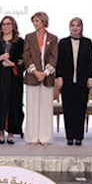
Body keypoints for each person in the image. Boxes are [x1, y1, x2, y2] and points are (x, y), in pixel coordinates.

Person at [55, 17, 92, 146]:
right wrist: (59, 76)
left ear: (81, 27)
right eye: (72, 25)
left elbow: (90, 60)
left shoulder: (87, 42)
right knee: (68, 109)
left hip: (82, 81)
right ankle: (69, 136)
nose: (75, 28)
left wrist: (91, 77)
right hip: (67, 81)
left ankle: (79, 137)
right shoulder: (63, 42)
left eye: (77, 25)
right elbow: (59, 61)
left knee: (80, 109)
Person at [0, 16, 25, 145]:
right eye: (3, 24)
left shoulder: (20, 42)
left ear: (13, 26)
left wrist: (13, 64)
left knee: (14, 103)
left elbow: (24, 59)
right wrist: (0, 58)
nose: (6, 27)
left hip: (14, 78)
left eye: (8, 24)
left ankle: (11, 133)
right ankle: (1, 133)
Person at [23, 12, 58, 145]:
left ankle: (45, 137)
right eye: (34, 21)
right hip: (32, 77)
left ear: (44, 22)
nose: (35, 23)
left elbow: (54, 57)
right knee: (32, 107)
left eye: (37, 21)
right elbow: (26, 56)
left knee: (46, 108)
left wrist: (45, 73)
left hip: (47, 77)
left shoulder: (53, 38)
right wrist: (35, 72)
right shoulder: (29, 37)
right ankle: (32, 137)